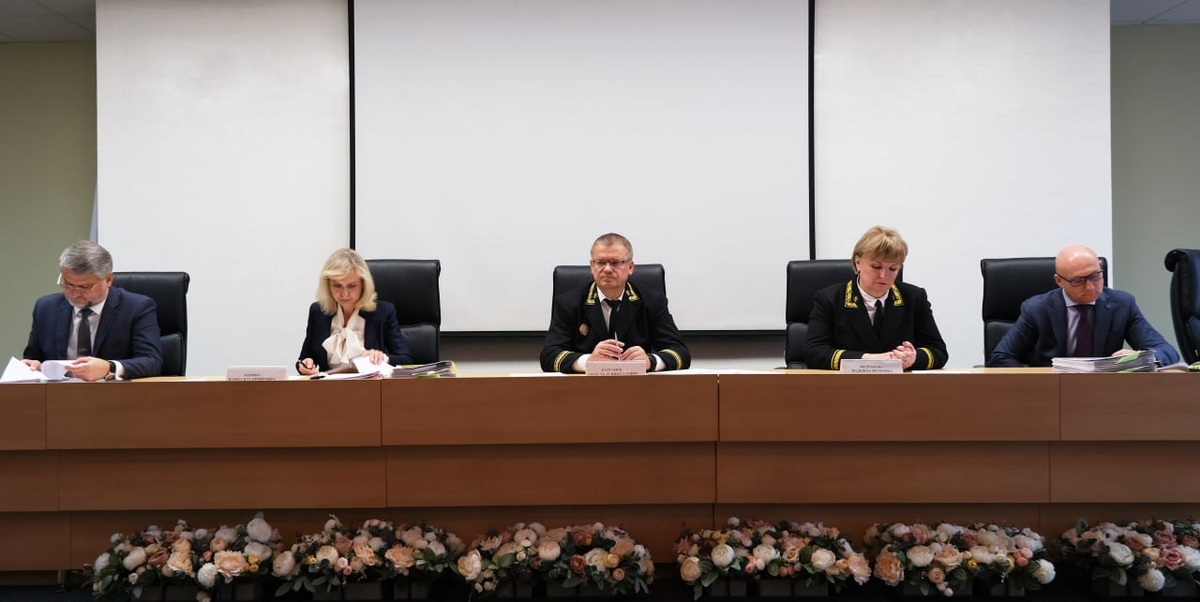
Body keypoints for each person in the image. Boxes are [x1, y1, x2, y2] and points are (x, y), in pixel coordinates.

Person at [987, 245, 1180, 367]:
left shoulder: (1122, 304)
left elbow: (1166, 350)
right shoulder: (1037, 308)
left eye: (1096, 276)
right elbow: (1002, 357)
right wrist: (1034, 384)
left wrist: (1143, 358)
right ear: (1059, 281)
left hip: (1103, 392)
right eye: (1079, 280)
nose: (1091, 287)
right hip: (1051, 391)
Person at [802, 225, 948, 371]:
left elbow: (938, 351)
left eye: (893, 268)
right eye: (876, 267)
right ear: (858, 263)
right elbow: (813, 352)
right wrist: (870, 359)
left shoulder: (914, 298)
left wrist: (913, 358)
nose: (883, 275)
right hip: (848, 383)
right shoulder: (830, 299)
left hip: (899, 383)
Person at [541, 233, 690, 373]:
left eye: (616, 263)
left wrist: (650, 361)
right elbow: (549, 356)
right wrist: (588, 361)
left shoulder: (652, 301)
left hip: (638, 386)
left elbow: (680, 353)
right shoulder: (568, 303)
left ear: (630, 267)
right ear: (592, 266)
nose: (607, 269)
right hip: (585, 387)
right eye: (600, 262)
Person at [22, 240, 163, 381]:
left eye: (84, 287)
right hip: (59, 392)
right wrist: (32, 365)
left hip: (113, 392)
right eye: (67, 284)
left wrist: (109, 367)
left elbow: (151, 361)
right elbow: (34, 358)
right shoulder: (46, 308)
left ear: (108, 280)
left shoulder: (136, 307)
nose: (74, 293)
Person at [296, 248, 413, 375]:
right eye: (337, 285)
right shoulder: (318, 311)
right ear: (328, 285)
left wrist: (383, 358)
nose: (344, 293)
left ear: (363, 285)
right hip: (327, 386)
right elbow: (304, 358)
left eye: (352, 286)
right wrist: (306, 364)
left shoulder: (383, 312)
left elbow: (406, 360)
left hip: (368, 385)